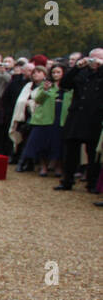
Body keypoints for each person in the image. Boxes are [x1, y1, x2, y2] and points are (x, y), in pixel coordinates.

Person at [58, 49, 103, 193]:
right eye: (92, 58)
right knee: (71, 151)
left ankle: (92, 183)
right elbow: (64, 84)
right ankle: (67, 180)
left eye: (98, 58)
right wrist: (76, 68)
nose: (94, 61)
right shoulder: (81, 72)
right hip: (77, 115)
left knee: (93, 153)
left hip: (95, 118)